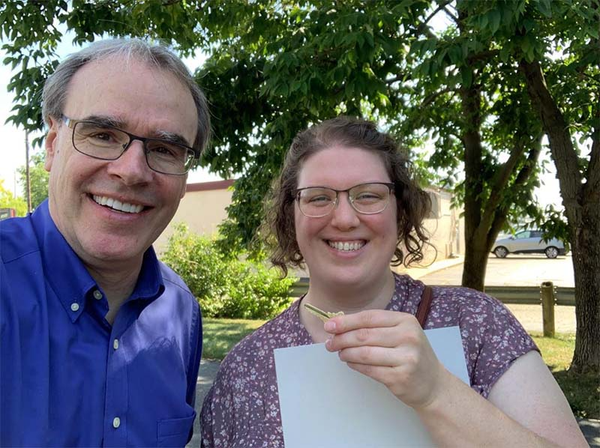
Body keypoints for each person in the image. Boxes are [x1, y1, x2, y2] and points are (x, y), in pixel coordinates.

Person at [199, 116, 587, 447]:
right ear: (291, 216)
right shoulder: (244, 368)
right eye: (319, 198)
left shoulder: (478, 325)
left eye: (368, 195)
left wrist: (437, 391)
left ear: (400, 211)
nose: (345, 218)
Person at [0, 39, 210, 447]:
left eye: (165, 149)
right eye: (102, 134)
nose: (131, 172)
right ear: (52, 143)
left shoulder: (181, 313)